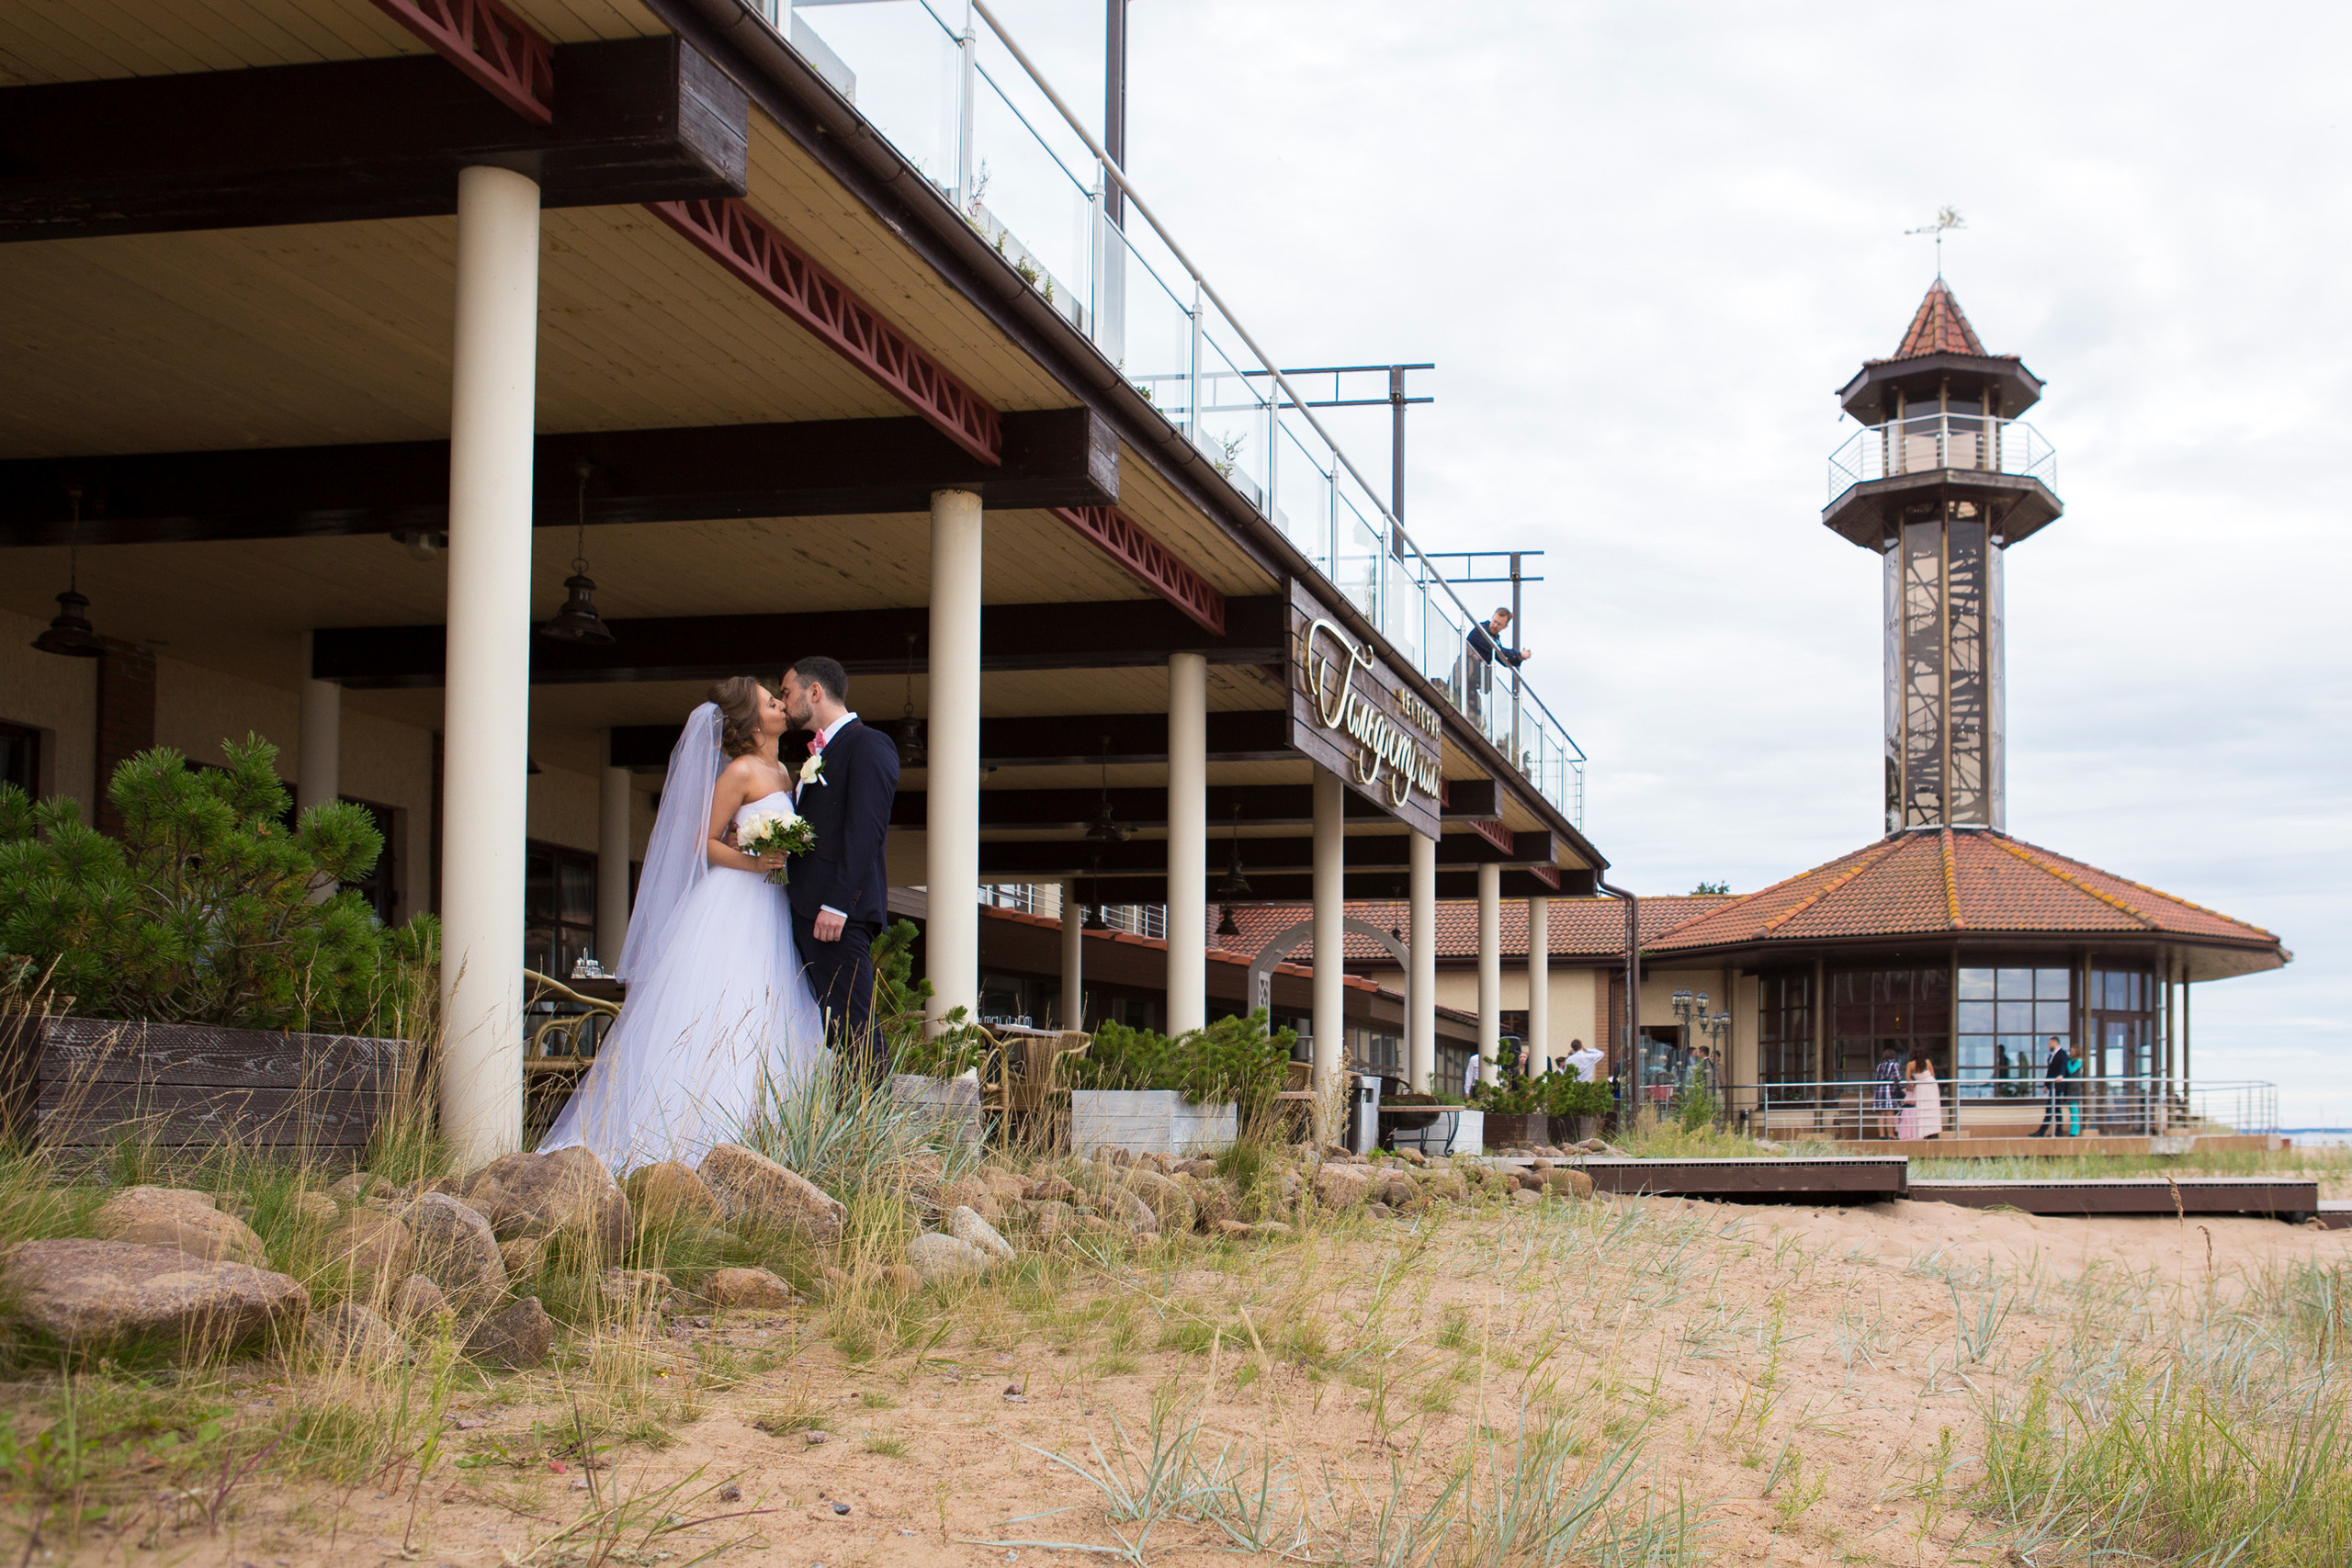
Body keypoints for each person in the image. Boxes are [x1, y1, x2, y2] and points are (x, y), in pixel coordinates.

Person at [539, 678, 826, 1171]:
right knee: (728, 1004)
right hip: (737, 903)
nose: (782, 705)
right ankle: (689, 1145)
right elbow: (702, 843)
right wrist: (753, 861)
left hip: (774, 906)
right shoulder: (740, 772)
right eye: (771, 702)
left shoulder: (783, 771)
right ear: (755, 723)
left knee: (771, 1009)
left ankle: (766, 1145)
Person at [780, 656, 899, 1077]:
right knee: (834, 1031)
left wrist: (838, 904)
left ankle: (871, 1134)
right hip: (811, 911)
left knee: (855, 1028)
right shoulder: (823, 750)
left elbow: (865, 831)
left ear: (814, 693)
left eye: (786, 692)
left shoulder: (868, 744)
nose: (783, 702)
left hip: (835, 915)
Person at [1460, 607, 1531, 724]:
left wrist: (1519, 658)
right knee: (1472, 717)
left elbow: (1503, 659)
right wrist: (1517, 654)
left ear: (1504, 627)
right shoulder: (1480, 631)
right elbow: (1498, 651)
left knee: (1478, 719)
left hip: (1471, 683)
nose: (1494, 625)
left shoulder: (1495, 640)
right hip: (1462, 678)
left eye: (1499, 624)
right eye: (1494, 621)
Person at [2031, 1034, 2070, 1136]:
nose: (2049, 1046)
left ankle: (2044, 1131)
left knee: (2052, 1108)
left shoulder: (2062, 1054)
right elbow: (2050, 1071)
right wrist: (2046, 1084)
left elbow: (2063, 1066)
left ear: (2055, 1042)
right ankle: (2057, 1131)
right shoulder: (2051, 1055)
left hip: (2058, 1085)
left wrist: (2061, 1075)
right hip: (2052, 1085)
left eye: (2050, 1043)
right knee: (2055, 1108)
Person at [1900, 1051, 1941, 1140]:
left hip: (1920, 1086)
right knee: (1933, 1108)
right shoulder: (1927, 1062)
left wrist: (1913, 1083)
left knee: (1922, 1108)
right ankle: (1933, 1132)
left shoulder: (1910, 1064)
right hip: (1931, 1084)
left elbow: (1908, 1078)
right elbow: (1932, 1074)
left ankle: (1924, 1132)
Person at [1871, 1046, 1903, 1139]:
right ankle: (1891, 1134)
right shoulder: (1894, 1064)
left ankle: (1882, 1135)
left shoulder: (1880, 1065)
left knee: (1882, 1114)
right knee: (1890, 1113)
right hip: (1889, 1090)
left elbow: (1876, 1078)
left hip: (1879, 1090)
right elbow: (1897, 1078)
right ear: (1894, 1056)